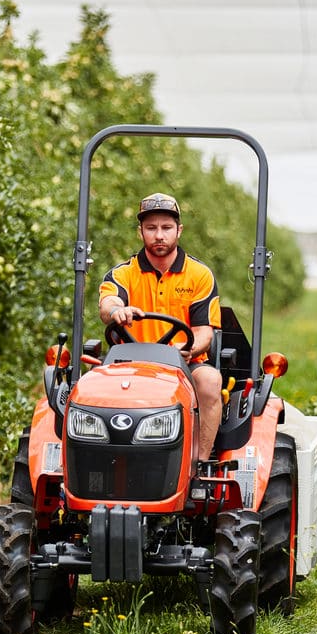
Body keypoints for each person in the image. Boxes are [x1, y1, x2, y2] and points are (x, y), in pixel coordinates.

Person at [98, 192, 223, 461]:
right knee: (89, 386)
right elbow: (107, 303)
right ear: (140, 231)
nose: (159, 235)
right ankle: (98, 459)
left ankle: (200, 463)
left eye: (166, 228)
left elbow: (204, 332)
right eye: (151, 228)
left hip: (184, 363)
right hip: (129, 364)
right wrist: (118, 311)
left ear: (179, 230)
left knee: (211, 381)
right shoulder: (123, 273)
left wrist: (187, 348)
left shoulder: (199, 275)